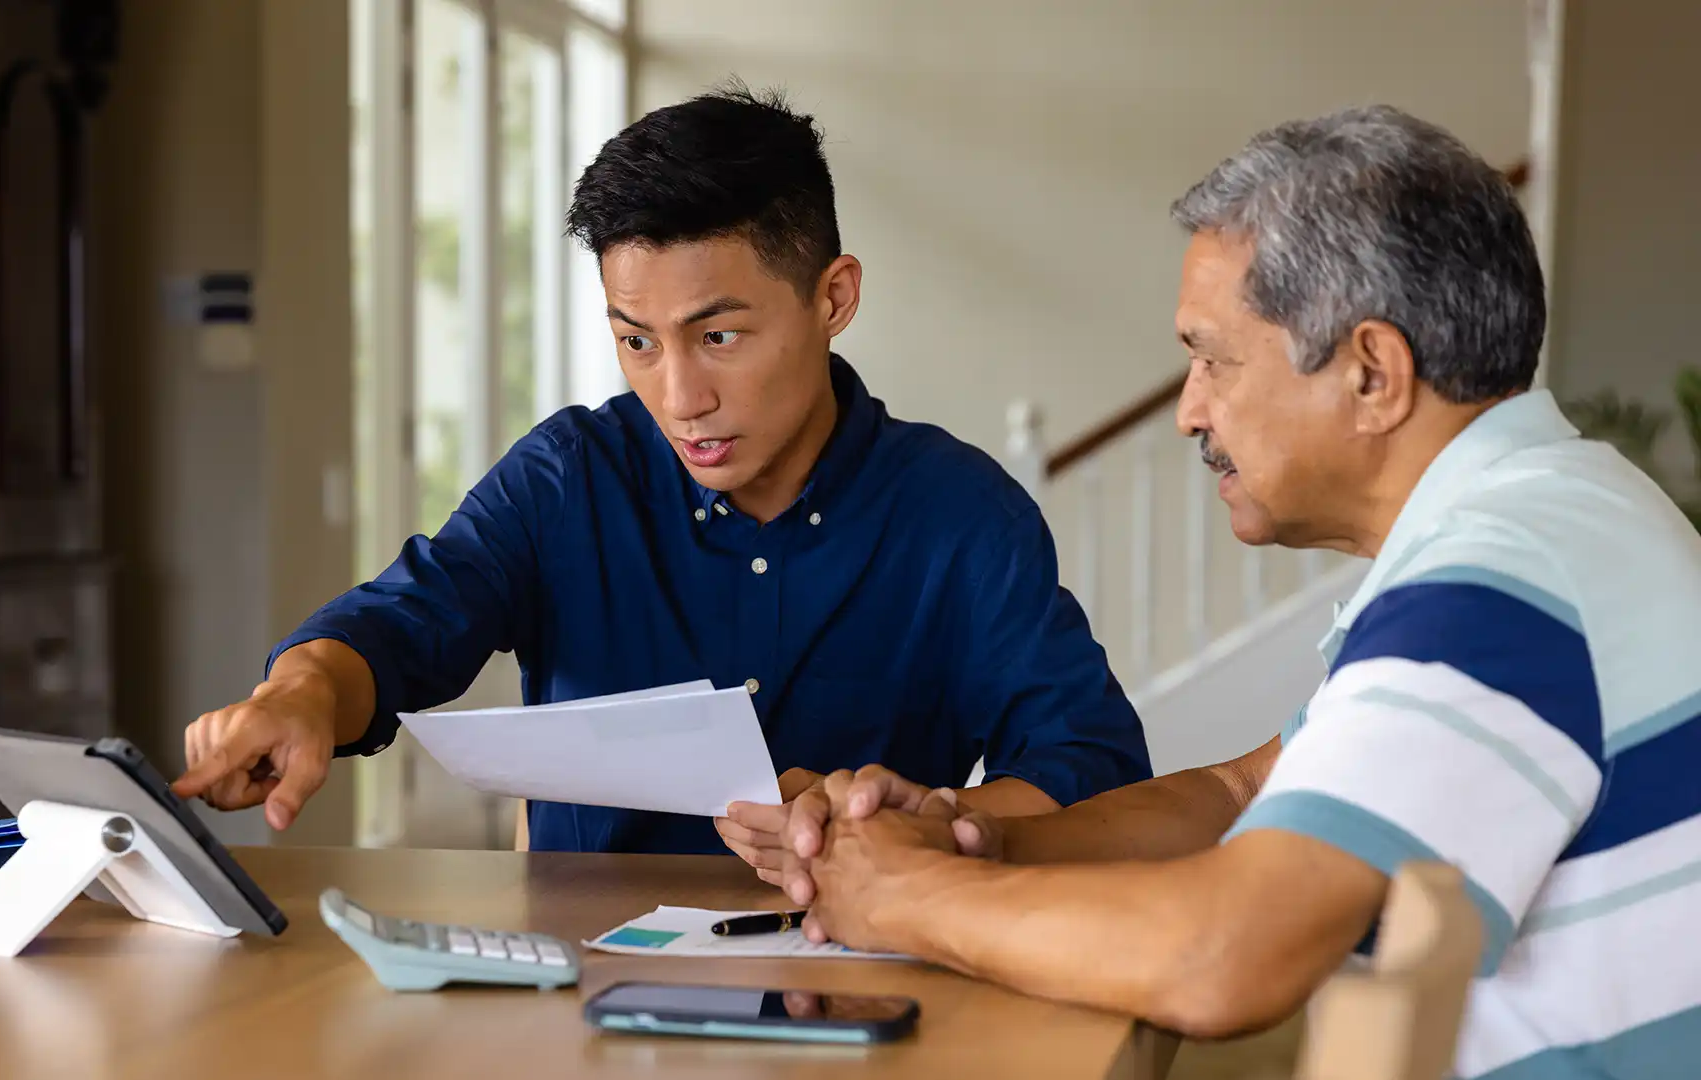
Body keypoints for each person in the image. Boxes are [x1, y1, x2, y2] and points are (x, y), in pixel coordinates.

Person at [786, 105, 1701, 1079]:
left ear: (1372, 374)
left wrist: (901, 897)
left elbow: (1221, 960)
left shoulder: (1500, 583)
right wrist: (979, 839)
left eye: (1214, 359)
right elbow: (1248, 789)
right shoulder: (1555, 518)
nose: (1189, 410)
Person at [173, 86, 1150, 855]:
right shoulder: (568, 478)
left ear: (833, 297)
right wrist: (300, 693)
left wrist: (932, 821)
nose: (679, 396)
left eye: (718, 335)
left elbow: (1089, 765)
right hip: (584, 1001)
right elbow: (401, 622)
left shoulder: (962, 516)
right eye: (636, 341)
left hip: (864, 987)